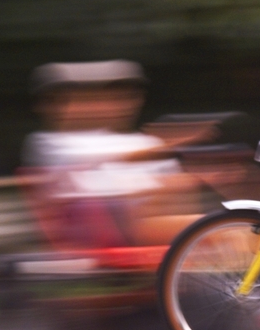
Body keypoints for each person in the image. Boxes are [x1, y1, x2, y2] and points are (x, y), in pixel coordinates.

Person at [22, 60, 214, 249]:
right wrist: (168, 147)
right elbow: (115, 158)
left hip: (137, 219)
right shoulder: (48, 143)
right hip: (106, 227)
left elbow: (164, 177)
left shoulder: (137, 140)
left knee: (194, 195)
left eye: (121, 98)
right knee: (222, 229)